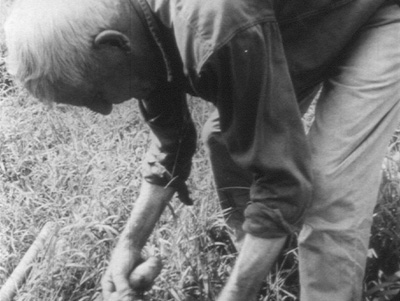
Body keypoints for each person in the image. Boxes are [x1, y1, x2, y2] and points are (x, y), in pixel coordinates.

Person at [4, 0, 400, 300]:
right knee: (226, 139)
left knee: (328, 187)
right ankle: (263, 256)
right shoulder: (133, 26)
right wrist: (128, 245)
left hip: (376, 13)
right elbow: (171, 140)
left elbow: (283, 182)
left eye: (94, 94)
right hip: (301, 24)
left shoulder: (212, 28)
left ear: (113, 46)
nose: (104, 109)